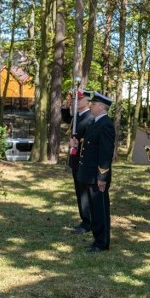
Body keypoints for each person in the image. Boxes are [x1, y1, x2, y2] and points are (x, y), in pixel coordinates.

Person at [78, 92, 116, 253]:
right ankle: (97, 239)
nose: (91, 106)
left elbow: (105, 153)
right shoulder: (95, 123)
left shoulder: (106, 124)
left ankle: (102, 242)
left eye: (93, 104)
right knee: (94, 209)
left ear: (101, 107)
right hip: (89, 174)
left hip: (97, 176)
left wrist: (102, 176)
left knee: (100, 210)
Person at [61, 90, 94, 233]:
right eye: (75, 99)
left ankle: (89, 221)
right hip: (75, 160)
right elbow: (67, 120)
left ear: (87, 101)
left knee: (85, 192)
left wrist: (77, 145)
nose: (76, 101)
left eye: (79, 99)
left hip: (84, 161)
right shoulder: (77, 117)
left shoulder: (91, 117)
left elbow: (91, 141)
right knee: (79, 191)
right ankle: (85, 219)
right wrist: (64, 107)